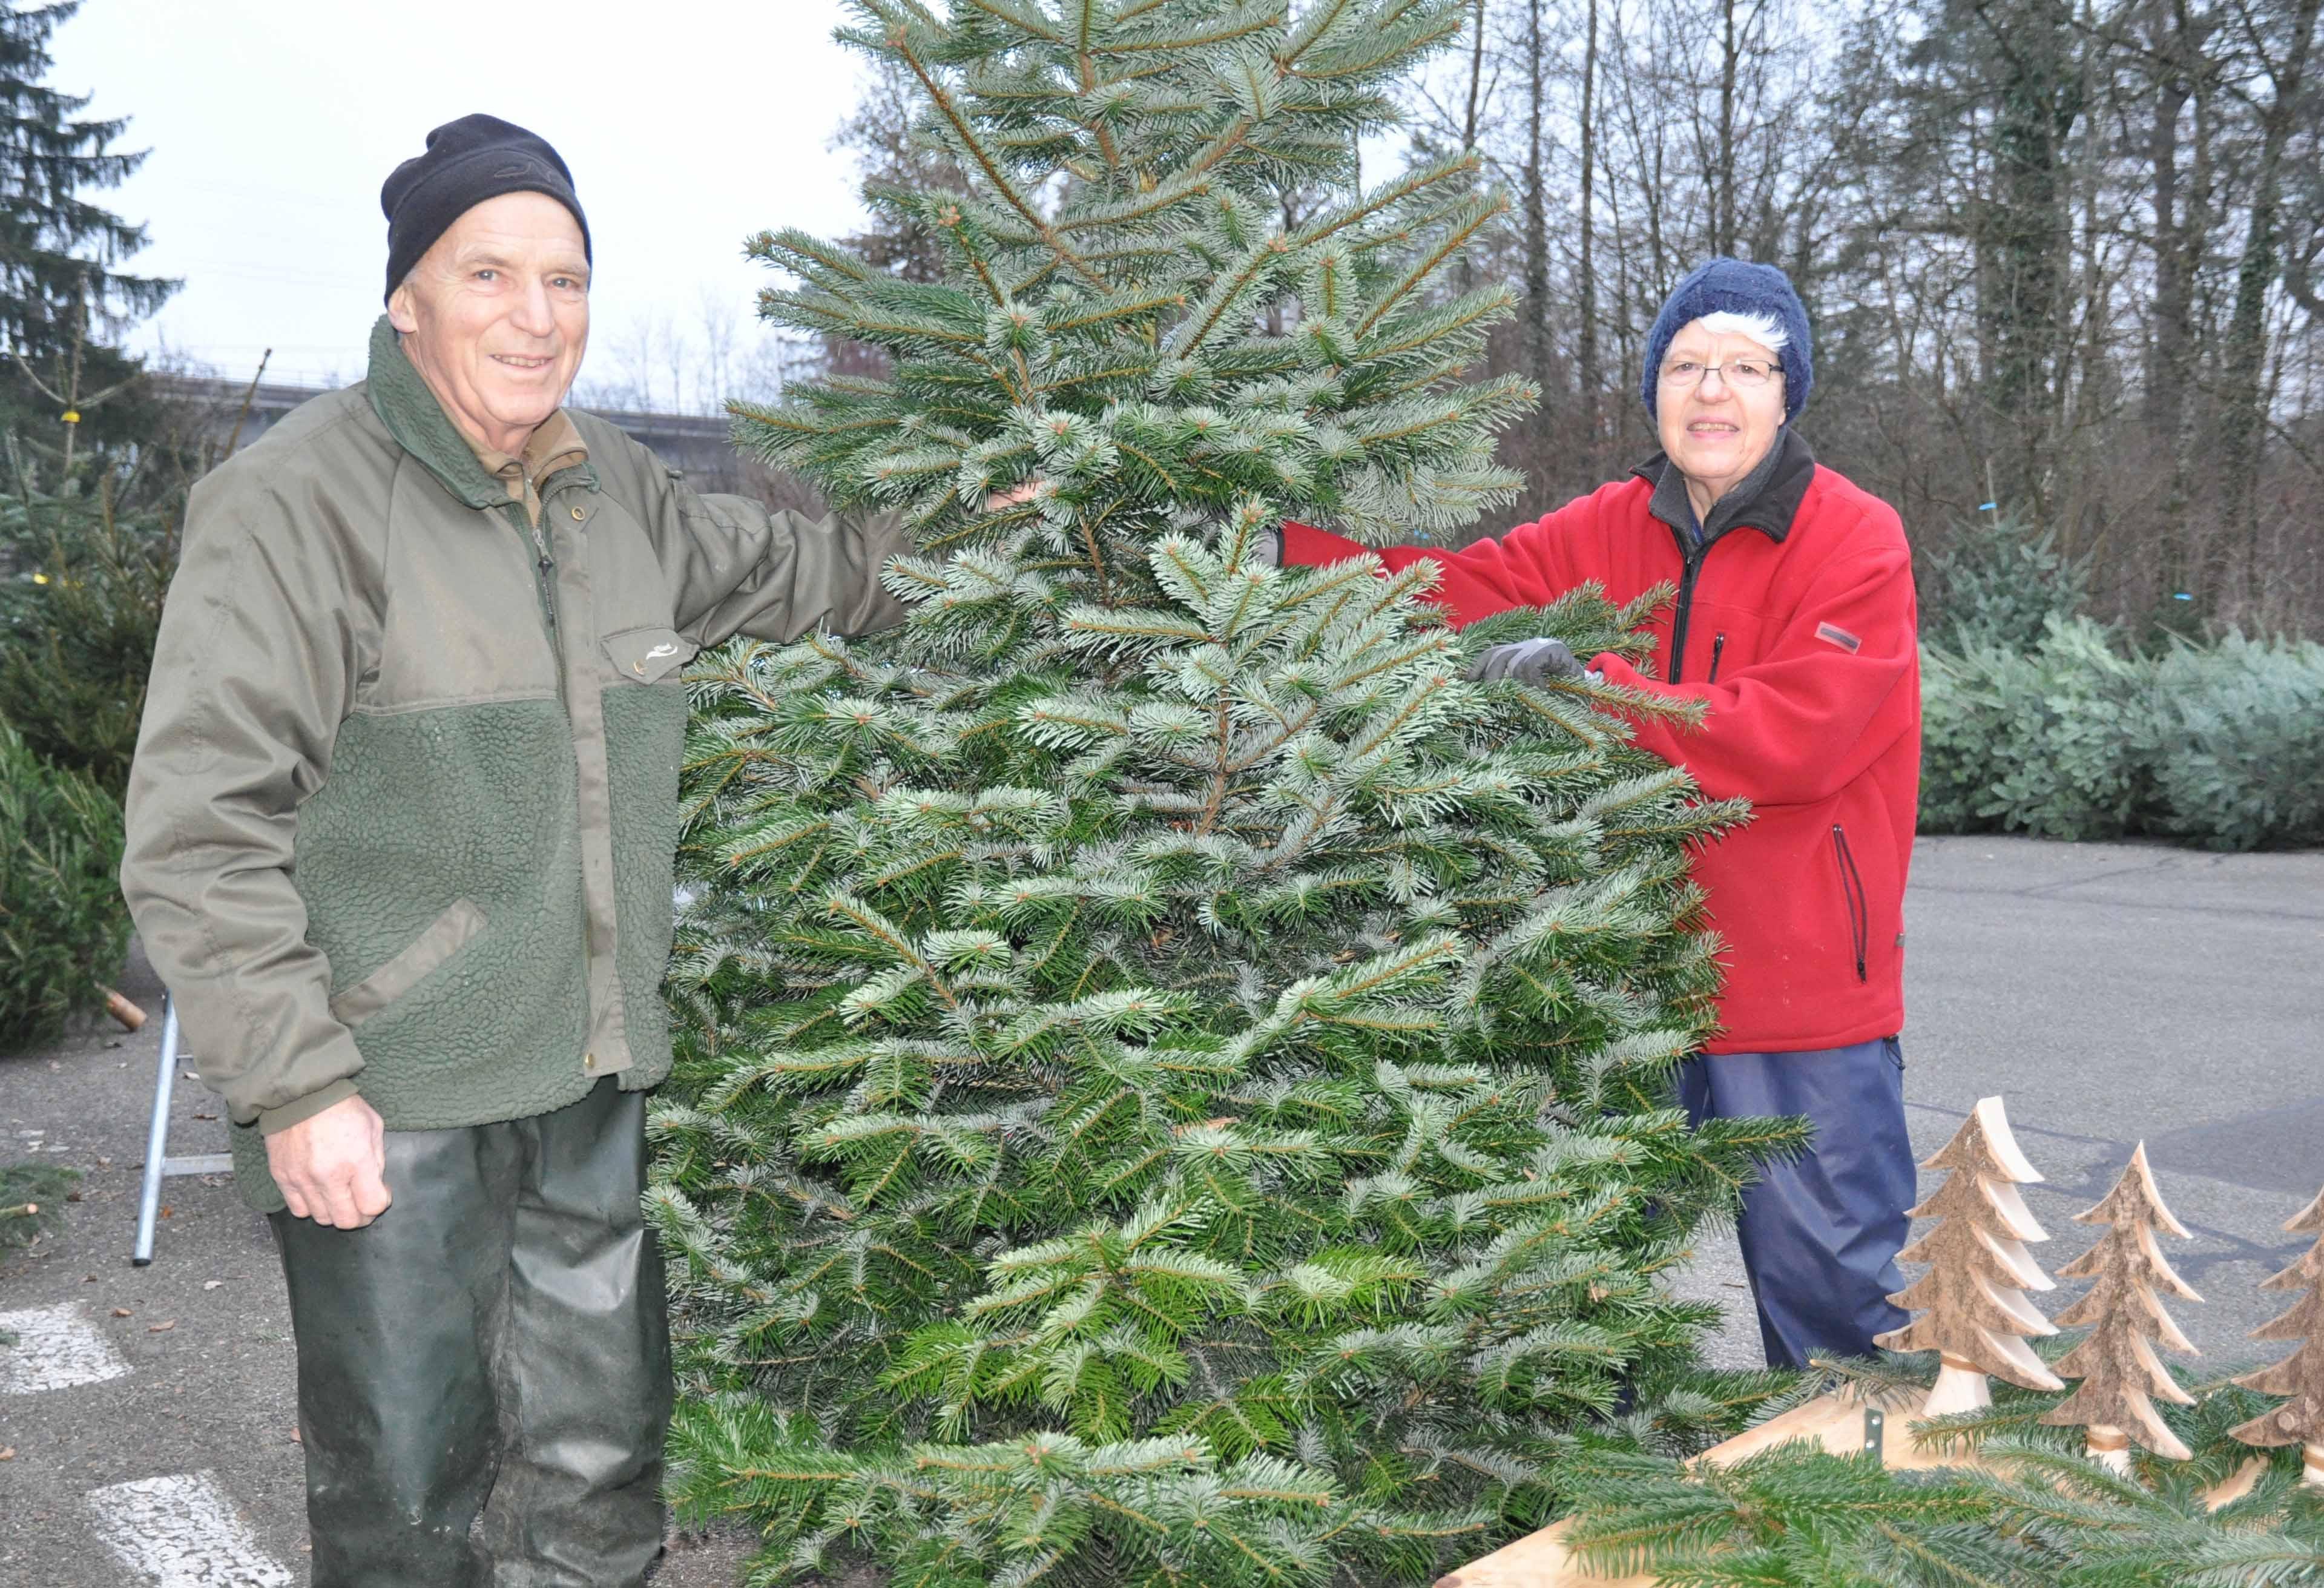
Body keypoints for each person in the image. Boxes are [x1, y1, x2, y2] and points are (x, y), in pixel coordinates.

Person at [119, 114, 910, 1586]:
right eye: (489, 274)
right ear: (407, 297)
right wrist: (298, 1083)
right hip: (391, 1091)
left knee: (601, 1467)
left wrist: (998, 535)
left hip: (587, 1066)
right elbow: (197, 825)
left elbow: (794, 571)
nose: (536, 316)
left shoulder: (609, 483)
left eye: (566, 277)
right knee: (410, 1490)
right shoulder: (296, 505)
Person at [1276, 258, 1920, 1370]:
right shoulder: (1604, 527)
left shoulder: (1856, 538)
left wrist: (1596, 688)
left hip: (1799, 985)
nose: (1711, 392)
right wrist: (1256, 549)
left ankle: (1865, 1509)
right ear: (1654, 389)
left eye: (1745, 367)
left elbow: (1799, 733)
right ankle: (1601, 1506)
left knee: (1836, 1291)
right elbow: (1442, 590)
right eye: (1685, 365)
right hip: (1621, 970)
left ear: (1788, 392)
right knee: (1583, 1279)